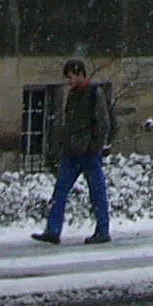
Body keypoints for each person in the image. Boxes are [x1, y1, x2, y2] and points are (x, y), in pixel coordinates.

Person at [31, 58, 112, 245]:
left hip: (88, 153)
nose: (69, 81)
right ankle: (53, 230)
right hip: (71, 152)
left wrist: (94, 146)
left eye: (71, 77)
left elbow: (103, 123)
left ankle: (102, 230)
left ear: (80, 74)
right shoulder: (74, 94)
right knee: (60, 190)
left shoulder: (94, 93)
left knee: (97, 192)